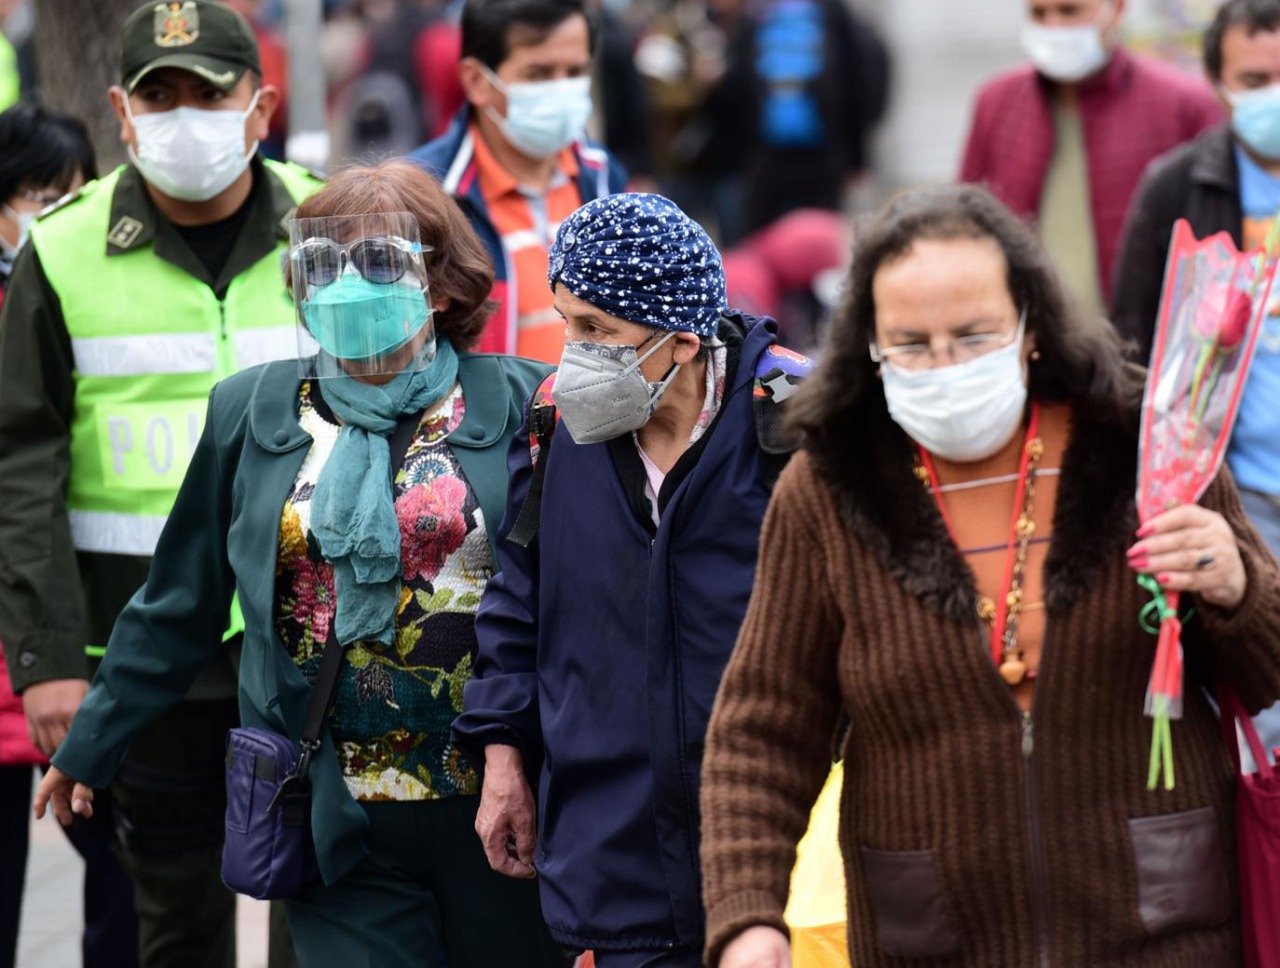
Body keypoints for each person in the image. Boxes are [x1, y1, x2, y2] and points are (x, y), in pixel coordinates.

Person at [697, 183, 1280, 967]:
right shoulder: (830, 487)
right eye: (911, 342)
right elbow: (764, 724)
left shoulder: (1150, 444)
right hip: (930, 938)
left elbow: (1267, 669)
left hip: (1161, 929)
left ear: (1030, 328)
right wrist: (748, 917)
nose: (943, 366)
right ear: (868, 344)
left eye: (973, 336)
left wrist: (1234, 585)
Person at [33, 160, 568, 968]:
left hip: (498, 801)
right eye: (324, 265)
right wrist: (91, 744)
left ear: (443, 285)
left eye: (381, 262)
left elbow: (574, 603)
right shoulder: (252, 408)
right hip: (331, 809)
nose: (349, 286)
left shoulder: (525, 404)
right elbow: (179, 602)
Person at [0, 2, 322, 965]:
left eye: (209, 94)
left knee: (320, 902)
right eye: (160, 96)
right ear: (121, 113)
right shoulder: (59, 250)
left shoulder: (329, 223)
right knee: (170, 923)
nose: (187, 116)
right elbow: (22, 461)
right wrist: (48, 657)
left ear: (259, 107)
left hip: (310, 641)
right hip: (138, 649)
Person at [453, 193, 811, 966]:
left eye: (597, 330)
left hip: (772, 860)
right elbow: (516, 601)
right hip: (611, 867)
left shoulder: (794, 420)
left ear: (682, 342)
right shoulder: (554, 424)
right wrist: (503, 756)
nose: (571, 352)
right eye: (565, 321)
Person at [1112, 0, 1280, 755]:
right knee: (1258, 708)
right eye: (1255, 78)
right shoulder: (1177, 186)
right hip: (1233, 497)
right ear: (1214, 81)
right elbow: (1132, 346)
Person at [0, 95, 137, 968]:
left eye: (75, 193)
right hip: (30, 658)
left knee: (124, 883)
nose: (56, 216)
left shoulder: (97, 305)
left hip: (77, 649)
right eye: (38, 195)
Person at [959, 0, 1221, 316]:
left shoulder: (1183, 105)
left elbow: (1215, 238)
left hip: (1137, 337)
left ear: (1117, 10)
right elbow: (967, 226)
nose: (1053, 27)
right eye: (1039, 14)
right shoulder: (998, 104)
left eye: (1070, 11)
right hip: (1031, 333)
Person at [408, 0, 627, 364]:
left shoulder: (602, 176)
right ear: (477, 81)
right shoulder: (428, 197)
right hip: (495, 419)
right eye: (538, 74)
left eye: (575, 72)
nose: (562, 90)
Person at [700, 0, 890, 237]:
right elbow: (862, 78)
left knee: (774, 240)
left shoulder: (761, 14)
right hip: (796, 153)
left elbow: (859, 78)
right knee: (811, 242)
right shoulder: (825, 13)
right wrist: (857, 157)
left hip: (785, 153)